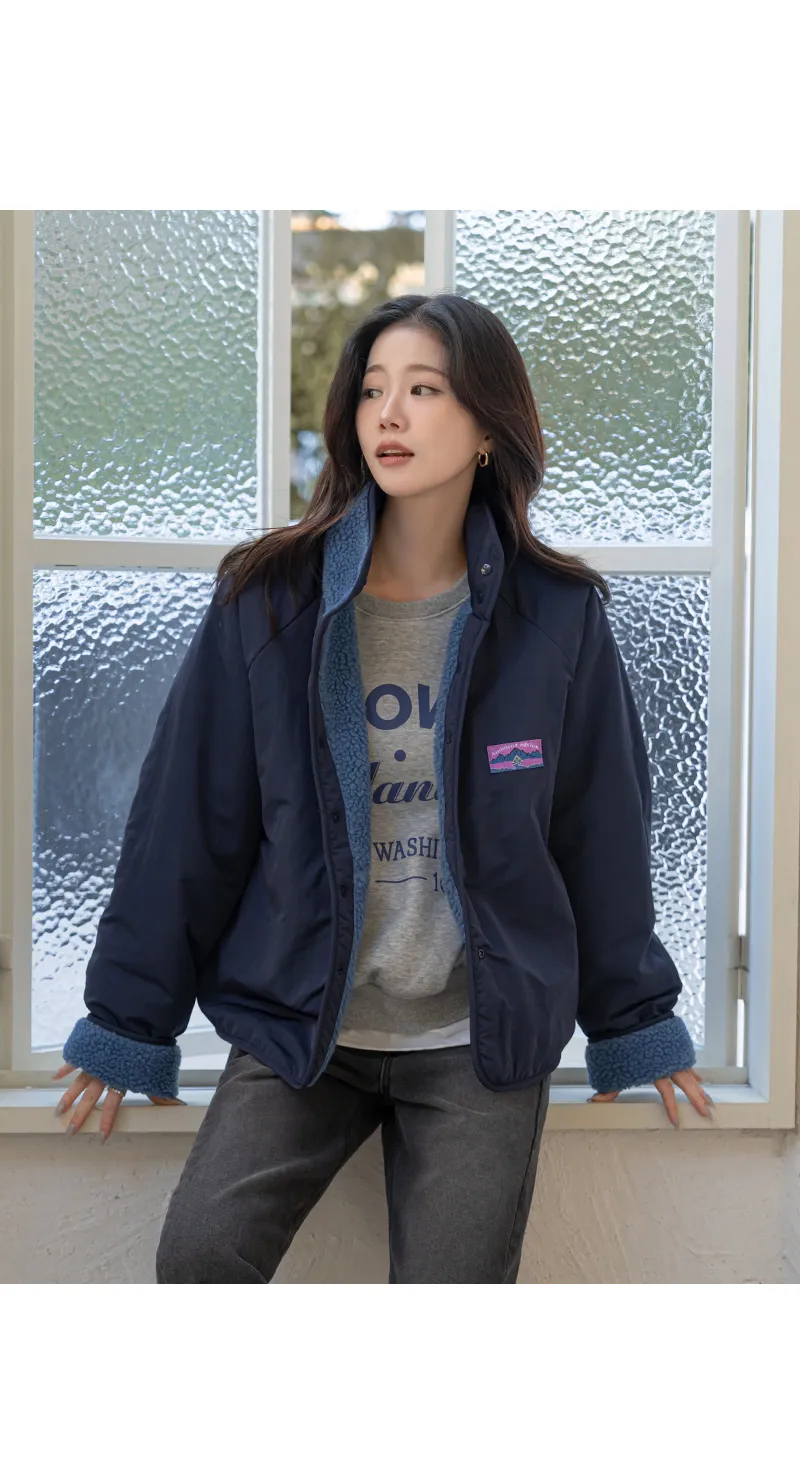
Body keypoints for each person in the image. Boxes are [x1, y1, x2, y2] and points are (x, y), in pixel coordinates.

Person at [52, 291, 713, 1284]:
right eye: (371, 391)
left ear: (487, 428)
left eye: (424, 390)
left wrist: (634, 1020)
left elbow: (599, 832)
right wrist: (125, 1021)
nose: (389, 415)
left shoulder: (558, 615)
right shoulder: (268, 602)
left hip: (477, 1035)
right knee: (199, 1258)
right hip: (302, 1021)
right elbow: (187, 820)